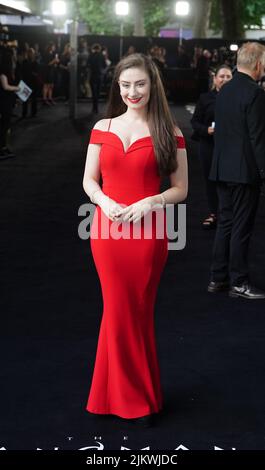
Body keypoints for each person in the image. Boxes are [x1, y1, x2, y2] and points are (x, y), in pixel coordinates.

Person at [83, 53, 188, 426]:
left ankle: (120, 397)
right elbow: (88, 181)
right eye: (125, 85)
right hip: (107, 232)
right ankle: (129, 398)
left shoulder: (169, 132)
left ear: (152, 85)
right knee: (116, 308)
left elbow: (181, 189)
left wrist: (151, 201)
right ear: (118, 86)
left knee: (136, 310)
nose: (132, 91)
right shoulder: (103, 127)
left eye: (139, 84)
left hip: (149, 234)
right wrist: (104, 202)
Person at [208, 42, 265, 299]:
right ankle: (239, 282)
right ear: (258, 63)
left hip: (221, 169)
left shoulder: (225, 90)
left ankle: (218, 279)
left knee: (226, 225)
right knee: (241, 227)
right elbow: (258, 138)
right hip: (244, 172)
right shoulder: (255, 93)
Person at [191, 65, 232, 229]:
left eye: (229, 77)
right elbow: (194, 122)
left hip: (230, 146)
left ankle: (227, 214)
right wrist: (206, 130)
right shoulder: (205, 98)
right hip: (208, 145)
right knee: (210, 181)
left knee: (228, 181)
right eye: (222, 76)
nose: (225, 79)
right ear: (215, 79)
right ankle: (214, 213)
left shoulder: (236, 99)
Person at [0, 48, 20, 159]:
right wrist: (16, 88)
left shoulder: (9, 71)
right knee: (4, 125)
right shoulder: (3, 71)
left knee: (6, 125)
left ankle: (4, 146)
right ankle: (1, 147)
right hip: (4, 101)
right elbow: (5, 86)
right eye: (13, 56)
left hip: (8, 100)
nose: (15, 58)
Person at [87, 43, 106, 114]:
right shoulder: (102, 56)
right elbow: (104, 65)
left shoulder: (90, 55)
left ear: (94, 49)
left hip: (92, 75)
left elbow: (87, 64)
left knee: (93, 92)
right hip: (100, 76)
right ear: (99, 49)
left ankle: (94, 107)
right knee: (98, 92)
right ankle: (96, 107)